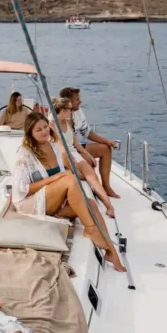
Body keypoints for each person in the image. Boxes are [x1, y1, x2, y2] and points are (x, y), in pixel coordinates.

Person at [13, 110, 125, 271]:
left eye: (45, 127)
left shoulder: (53, 147)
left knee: (91, 204)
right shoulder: (25, 154)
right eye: (38, 130)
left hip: (53, 200)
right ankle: (90, 229)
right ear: (30, 134)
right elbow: (23, 189)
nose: (44, 131)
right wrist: (56, 177)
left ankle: (111, 253)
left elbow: (64, 176)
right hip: (31, 203)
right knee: (69, 179)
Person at [51, 97, 115, 218]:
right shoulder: (52, 125)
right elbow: (61, 147)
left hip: (73, 153)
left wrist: (88, 155)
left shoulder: (67, 122)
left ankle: (109, 206)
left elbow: (76, 144)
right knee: (86, 175)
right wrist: (74, 160)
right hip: (61, 156)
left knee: (92, 176)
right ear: (63, 110)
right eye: (70, 109)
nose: (72, 111)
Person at [59, 87, 120, 199]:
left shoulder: (78, 112)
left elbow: (87, 132)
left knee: (105, 149)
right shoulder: (57, 116)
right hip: (64, 152)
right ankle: (93, 189)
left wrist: (107, 141)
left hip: (76, 147)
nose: (80, 101)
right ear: (68, 102)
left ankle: (106, 187)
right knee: (87, 160)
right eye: (77, 99)